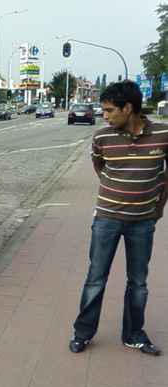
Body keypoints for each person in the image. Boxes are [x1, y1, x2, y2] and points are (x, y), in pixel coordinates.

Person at [69, 80, 168, 356]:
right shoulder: (102, 137)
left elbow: (166, 170)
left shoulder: (163, 133)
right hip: (106, 219)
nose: (105, 115)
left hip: (143, 222)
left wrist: (160, 206)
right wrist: (113, 188)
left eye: (109, 110)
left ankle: (134, 334)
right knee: (95, 278)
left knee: (138, 282)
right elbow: (98, 164)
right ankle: (83, 332)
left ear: (128, 108)